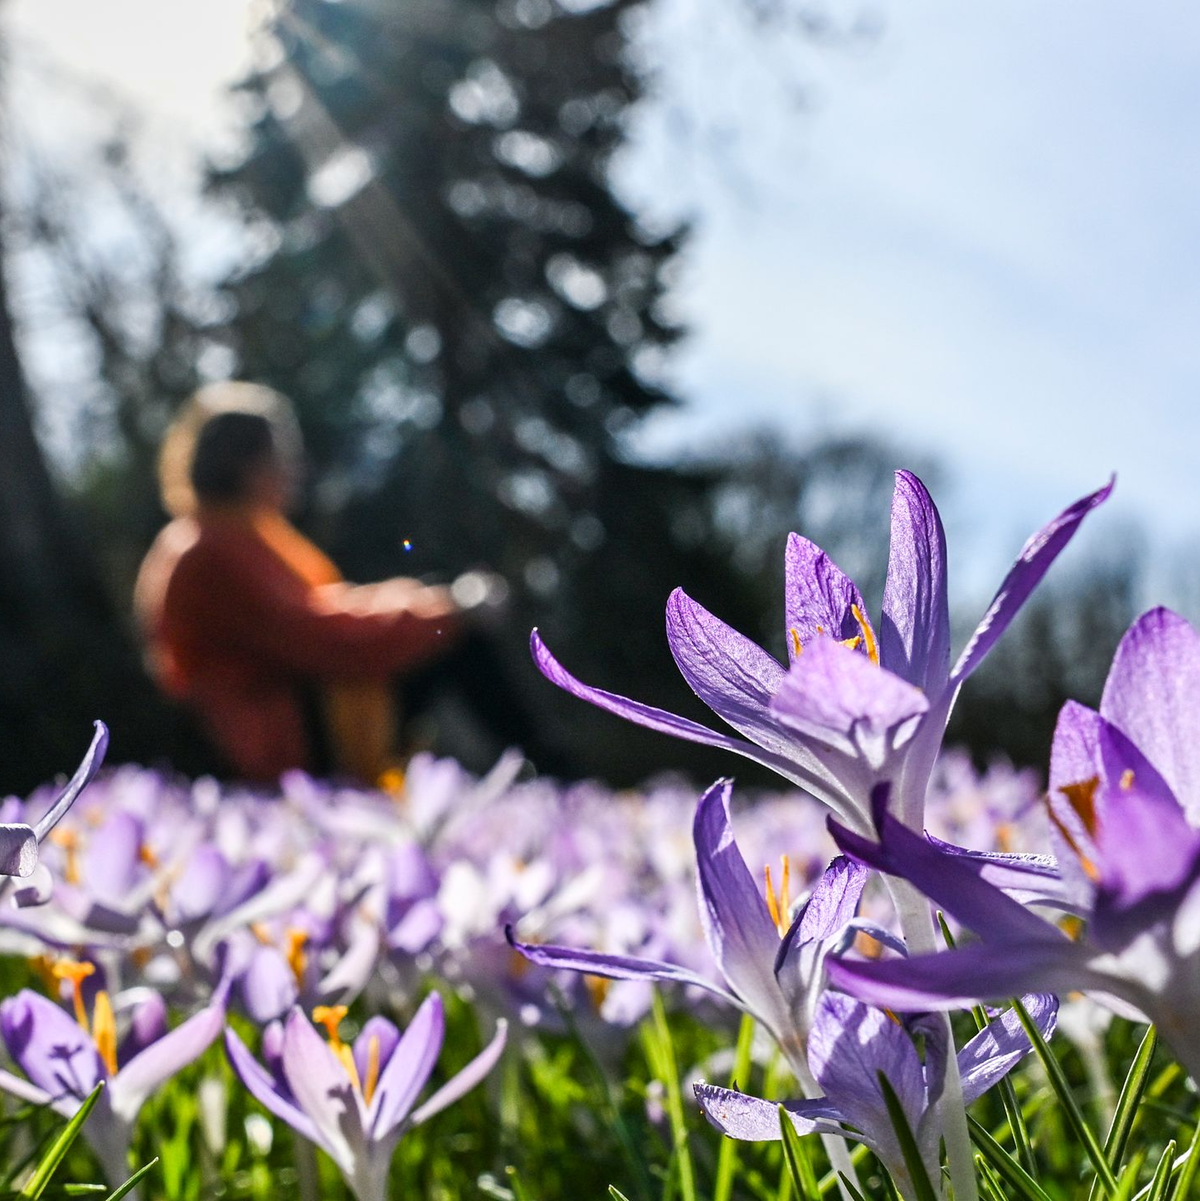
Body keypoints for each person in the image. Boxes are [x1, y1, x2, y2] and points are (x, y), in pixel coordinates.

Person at [135, 381, 512, 784]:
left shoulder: (236, 533)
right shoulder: (208, 549)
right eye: (283, 455)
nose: (296, 468)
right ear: (246, 464)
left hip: (287, 723)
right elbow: (322, 638)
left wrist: (438, 602)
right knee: (453, 639)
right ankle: (549, 768)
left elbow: (330, 609)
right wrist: (449, 610)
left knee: (440, 626)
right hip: (278, 744)